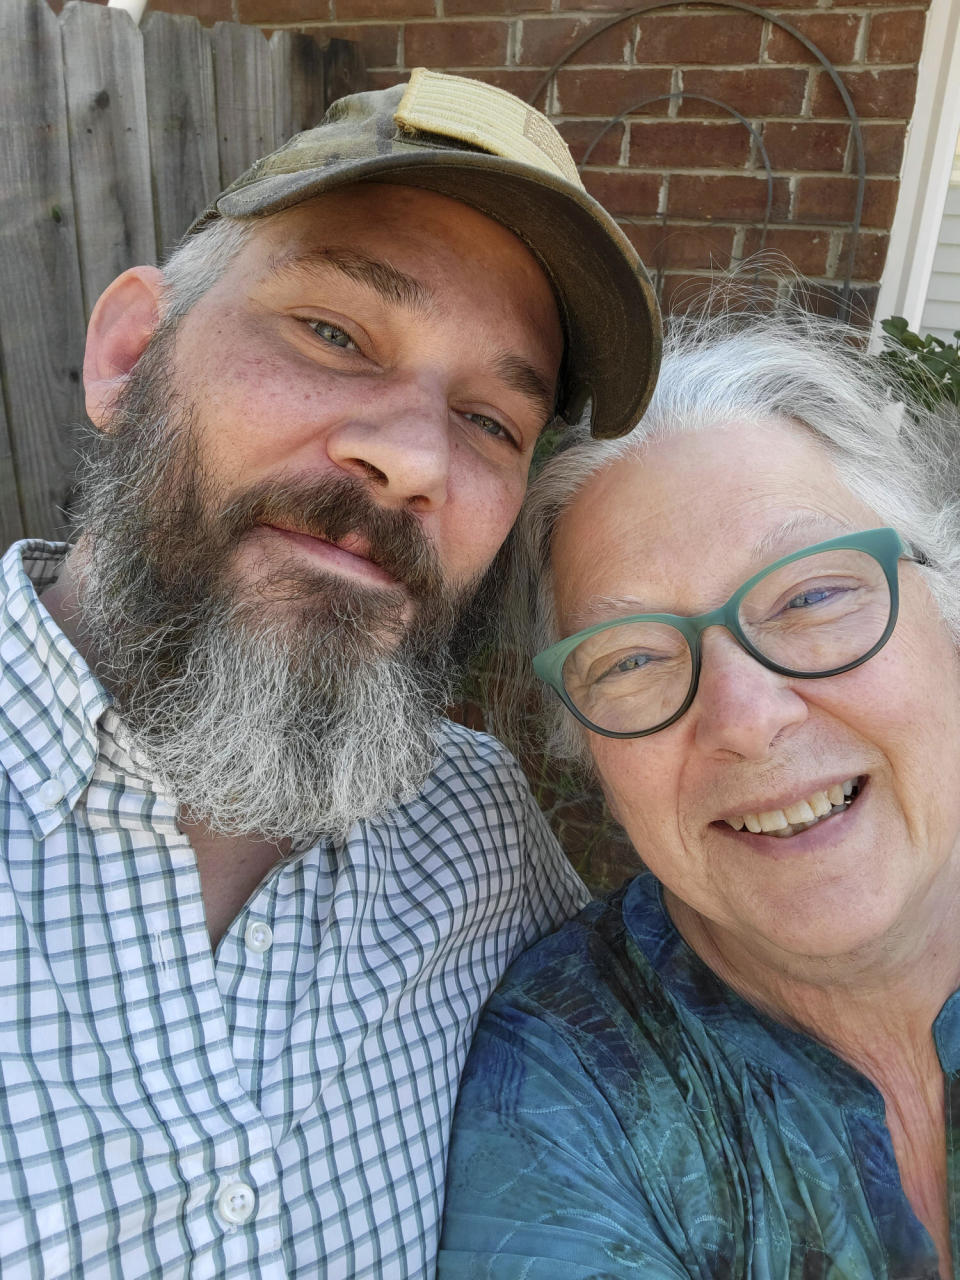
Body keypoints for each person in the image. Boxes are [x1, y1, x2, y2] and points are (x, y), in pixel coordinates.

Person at [0, 68, 661, 1278]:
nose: (412, 456)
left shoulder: (477, 831)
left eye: (491, 423)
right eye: (334, 332)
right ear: (129, 356)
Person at [440, 310, 960, 1279]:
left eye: (811, 596)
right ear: (585, 746)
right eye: (633, 658)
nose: (747, 716)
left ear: (946, 614)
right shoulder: (571, 1087)